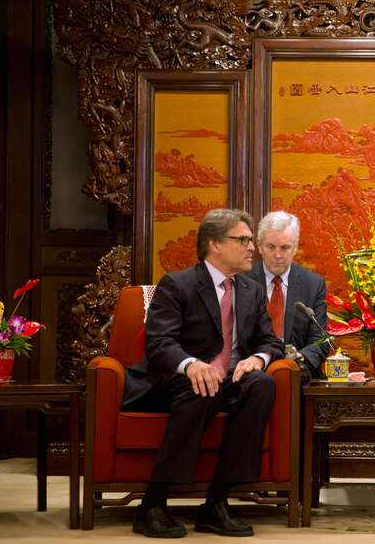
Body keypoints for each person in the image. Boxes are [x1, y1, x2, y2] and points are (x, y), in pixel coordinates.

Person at [122, 208, 285, 538]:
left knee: (262, 384)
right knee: (202, 386)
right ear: (214, 244)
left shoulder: (252, 291)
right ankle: (153, 504)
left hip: (230, 380)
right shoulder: (178, 284)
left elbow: (271, 341)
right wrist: (192, 364)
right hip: (175, 382)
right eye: (243, 240)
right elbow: (159, 343)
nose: (252, 247)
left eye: (251, 241)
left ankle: (217, 503)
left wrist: (258, 358)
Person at [245, 211, 328, 381]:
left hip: (298, 373)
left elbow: (320, 339)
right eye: (271, 247)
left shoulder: (313, 284)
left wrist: (299, 359)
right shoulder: (242, 281)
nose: (277, 255)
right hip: (253, 370)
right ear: (259, 246)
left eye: (285, 248)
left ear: (295, 247)